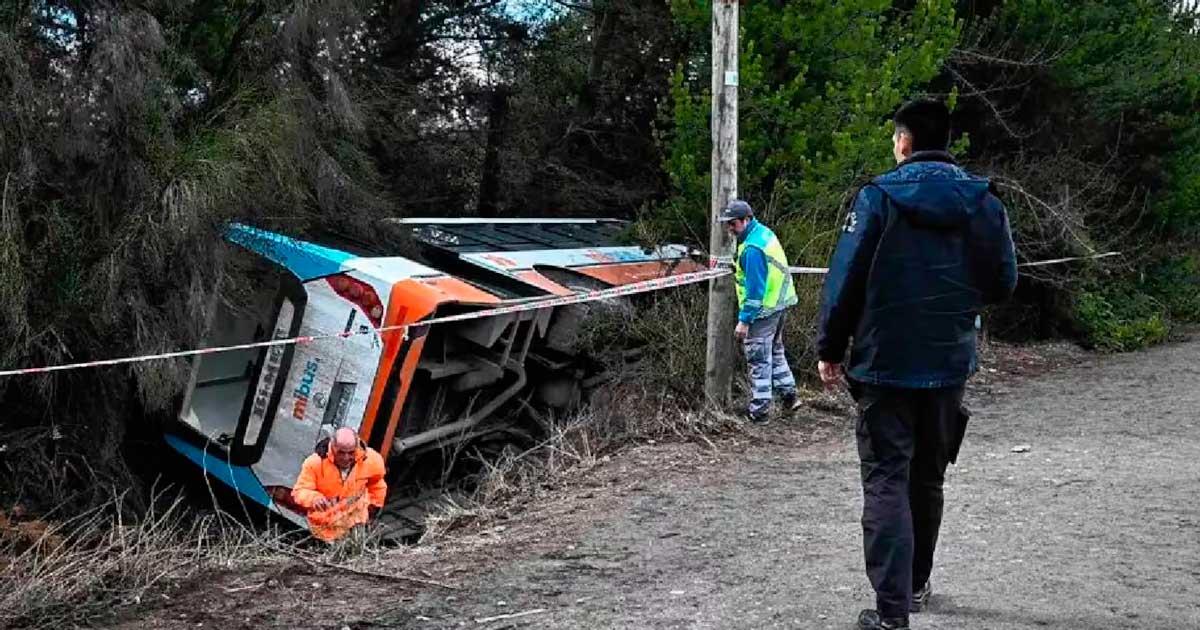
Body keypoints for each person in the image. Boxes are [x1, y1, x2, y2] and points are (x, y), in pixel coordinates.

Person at [815, 99, 1017, 630]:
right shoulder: (982, 200)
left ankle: (891, 612)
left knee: (886, 479)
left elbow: (845, 281)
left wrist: (829, 348)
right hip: (949, 361)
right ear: (945, 141)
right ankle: (917, 584)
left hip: (884, 362)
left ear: (903, 141)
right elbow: (1004, 281)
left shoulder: (877, 197)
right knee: (927, 479)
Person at [718, 200, 801, 424]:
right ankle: (789, 396)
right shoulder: (763, 234)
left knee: (758, 358)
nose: (730, 229)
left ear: (746, 219)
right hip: (780, 304)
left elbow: (755, 290)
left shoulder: (751, 249)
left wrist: (744, 320)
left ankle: (759, 411)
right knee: (775, 351)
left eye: (733, 224)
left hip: (763, 310)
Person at [291, 427, 388, 542]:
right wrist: (314, 499)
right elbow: (300, 491)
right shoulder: (315, 463)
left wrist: (373, 508)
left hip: (355, 528)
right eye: (341, 452)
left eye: (351, 452)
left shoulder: (372, 460)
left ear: (357, 447)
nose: (346, 458)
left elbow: (377, 484)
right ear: (333, 447)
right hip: (321, 530)